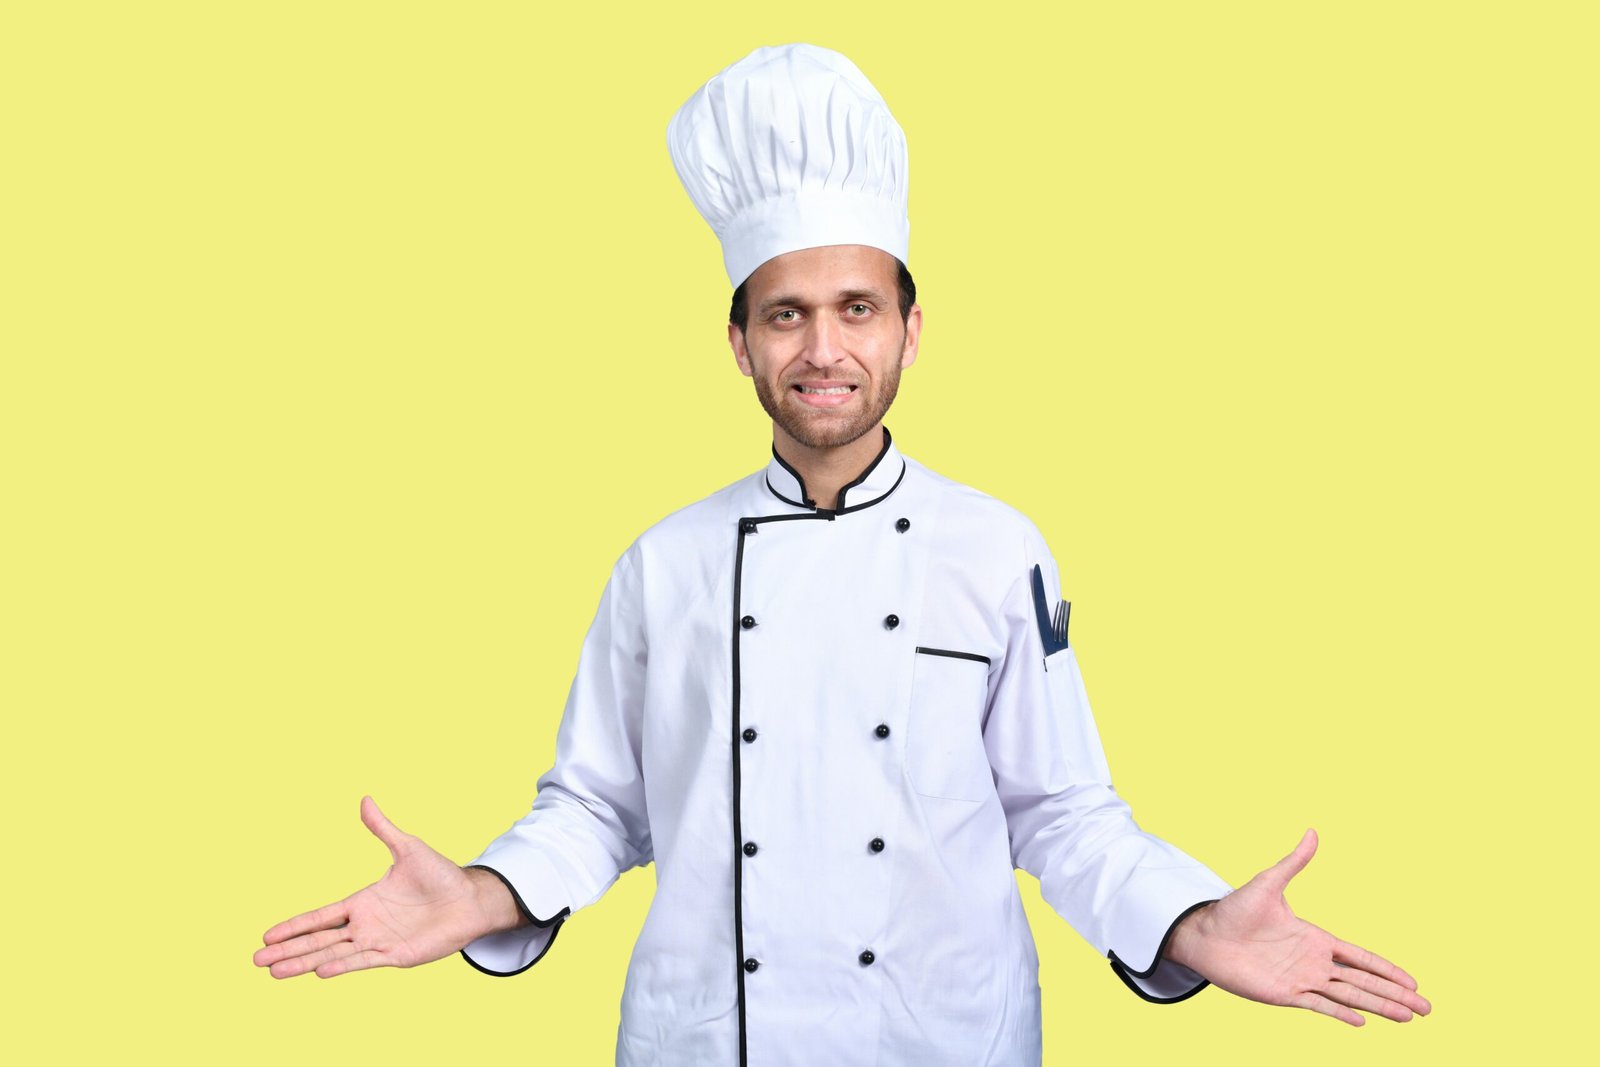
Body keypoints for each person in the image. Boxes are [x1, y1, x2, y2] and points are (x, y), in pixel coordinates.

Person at [253, 43, 1430, 1064]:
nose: (824, 347)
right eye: (786, 312)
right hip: (706, 1036)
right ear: (737, 340)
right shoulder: (663, 563)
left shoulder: (995, 545)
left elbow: (1062, 810)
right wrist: (481, 890)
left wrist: (1188, 917)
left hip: (940, 1036)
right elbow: (599, 807)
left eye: (857, 308)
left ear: (912, 328)